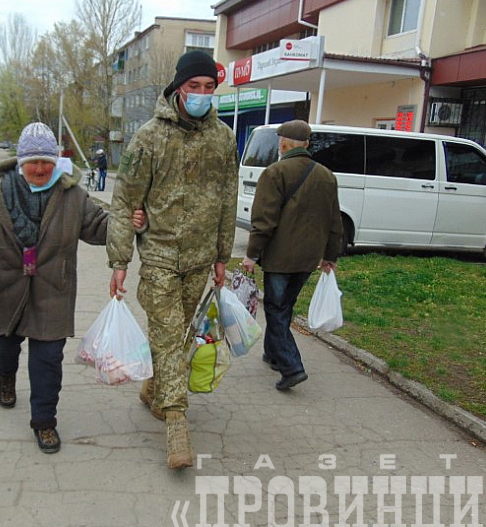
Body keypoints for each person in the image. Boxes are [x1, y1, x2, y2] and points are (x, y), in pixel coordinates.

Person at [0, 122, 145, 454]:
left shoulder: (71, 195)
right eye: (34, 161)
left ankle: (44, 422)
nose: (41, 168)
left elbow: (98, 227)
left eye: (47, 161)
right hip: (6, 289)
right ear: (21, 162)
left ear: (57, 160)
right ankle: (6, 376)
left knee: (47, 361)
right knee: (4, 351)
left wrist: (126, 222)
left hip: (52, 291)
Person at [107, 50, 239, 470]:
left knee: (178, 340)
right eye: (193, 86)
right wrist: (120, 259)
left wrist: (222, 255)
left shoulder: (223, 138)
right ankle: (177, 424)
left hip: (199, 261)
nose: (201, 94)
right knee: (167, 336)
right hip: (160, 257)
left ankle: (152, 390)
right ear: (178, 89)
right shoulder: (149, 136)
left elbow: (227, 200)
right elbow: (125, 199)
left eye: (208, 88)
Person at [241, 119, 343, 391]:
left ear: (283, 143)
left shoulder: (274, 173)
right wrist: (329, 256)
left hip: (279, 258)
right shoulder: (326, 176)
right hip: (308, 259)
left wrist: (251, 255)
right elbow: (335, 222)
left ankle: (292, 366)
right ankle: (273, 354)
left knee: (275, 309)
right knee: (284, 306)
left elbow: (264, 221)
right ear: (307, 144)